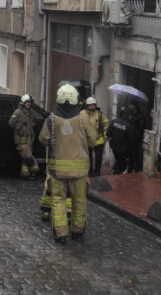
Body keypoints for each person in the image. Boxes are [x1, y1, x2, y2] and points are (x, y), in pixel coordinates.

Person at [39, 84, 97, 243]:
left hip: (57, 171)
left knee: (58, 200)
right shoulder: (83, 119)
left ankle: (60, 234)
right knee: (79, 201)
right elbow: (92, 140)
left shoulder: (51, 119)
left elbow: (43, 139)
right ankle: (77, 231)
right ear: (75, 101)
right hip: (79, 171)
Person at [8, 94, 41, 180]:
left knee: (25, 159)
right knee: (27, 157)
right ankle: (35, 169)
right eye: (27, 102)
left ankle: (25, 174)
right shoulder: (18, 112)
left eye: (30, 102)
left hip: (29, 140)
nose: (29, 104)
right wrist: (20, 126)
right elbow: (11, 122)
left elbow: (32, 123)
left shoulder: (29, 113)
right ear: (23, 103)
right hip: (22, 140)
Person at [80, 97, 107, 178]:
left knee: (98, 158)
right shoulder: (82, 113)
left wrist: (105, 135)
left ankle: (97, 171)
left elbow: (106, 124)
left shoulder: (100, 114)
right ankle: (90, 171)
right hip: (87, 140)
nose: (92, 107)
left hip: (98, 140)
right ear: (87, 105)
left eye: (93, 105)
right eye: (90, 105)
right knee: (88, 158)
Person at [106, 110, 137, 175]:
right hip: (124, 149)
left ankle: (114, 171)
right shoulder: (129, 126)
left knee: (118, 160)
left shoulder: (114, 122)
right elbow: (132, 139)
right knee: (121, 164)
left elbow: (108, 133)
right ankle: (116, 175)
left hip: (114, 147)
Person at [124, 98, 146, 173]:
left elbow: (141, 129)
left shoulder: (140, 115)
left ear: (134, 106)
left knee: (135, 154)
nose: (129, 106)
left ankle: (136, 169)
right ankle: (130, 168)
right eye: (129, 104)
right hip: (128, 138)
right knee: (129, 154)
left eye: (131, 105)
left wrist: (135, 137)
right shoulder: (129, 113)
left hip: (136, 139)